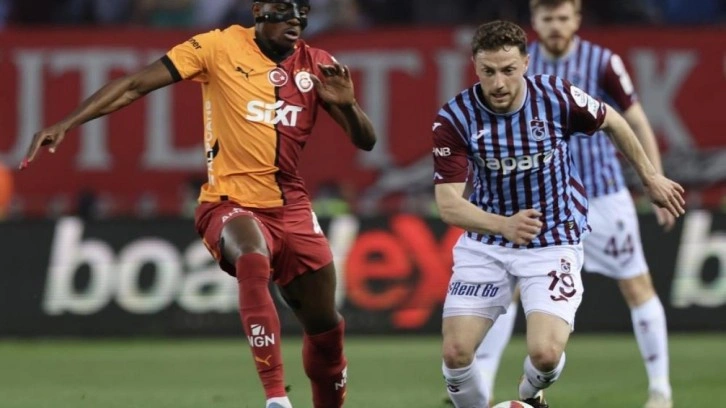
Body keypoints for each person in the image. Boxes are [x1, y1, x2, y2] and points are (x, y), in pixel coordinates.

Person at [20, 1, 376, 407]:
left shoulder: (319, 64)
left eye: (302, 10)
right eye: (283, 8)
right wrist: (68, 122)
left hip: (292, 209)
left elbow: (365, 140)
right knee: (252, 256)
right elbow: (135, 85)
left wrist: (348, 105)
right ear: (258, 10)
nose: (294, 18)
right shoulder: (217, 46)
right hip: (228, 201)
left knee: (326, 331)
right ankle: (276, 397)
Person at [432, 20, 684, 408]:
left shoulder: (555, 96)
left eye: (508, 70)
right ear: (474, 66)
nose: (498, 83)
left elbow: (613, 120)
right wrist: (503, 225)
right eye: (488, 71)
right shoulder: (455, 118)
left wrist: (649, 176)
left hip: (553, 238)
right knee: (455, 353)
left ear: (526, 63)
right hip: (487, 241)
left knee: (546, 355)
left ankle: (531, 393)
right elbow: (448, 204)